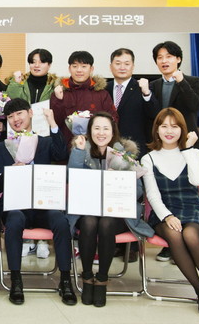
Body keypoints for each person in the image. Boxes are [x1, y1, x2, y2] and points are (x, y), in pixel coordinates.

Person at [142, 108, 199, 317]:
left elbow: (197, 180)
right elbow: (152, 195)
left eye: (175, 126)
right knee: (174, 234)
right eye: (164, 126)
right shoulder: (148, 158)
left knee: (190, 234)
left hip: (192, 208)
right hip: (164, 211)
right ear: (157, 129)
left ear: (183, 129)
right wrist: (167, 216)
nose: (169, 131)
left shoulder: (195, 154)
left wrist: (188, 149)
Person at [0, 98, 75, 306]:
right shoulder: (2, 147)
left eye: (19, 113)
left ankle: (66, 280)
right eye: (10, 117)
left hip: (42, 206)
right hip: (16, 206)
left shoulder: (44, 142)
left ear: (30, 113)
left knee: (61, 221)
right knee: (14, 220)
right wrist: (12, 172)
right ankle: (16, 280)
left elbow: (61, 153)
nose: (15, 119)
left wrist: (53, 124)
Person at [68, 112, 154, 307]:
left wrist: (119, 178)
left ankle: (102, 279)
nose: (101, 133)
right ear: (90, 131)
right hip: (88, 210)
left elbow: (139, 191)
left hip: (117, 213)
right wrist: (78, 151)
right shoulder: (82, 149)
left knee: (106, 224)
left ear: (113, 131)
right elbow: (71, 179)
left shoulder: (124, 153)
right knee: (89, 222)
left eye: (105, 128)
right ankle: (87, 277)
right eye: (96, 128)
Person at [149, 41, 199, 264]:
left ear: (178, 59)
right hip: (164, 148)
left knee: (191, 194)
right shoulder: (154, 85)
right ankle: (171, 245)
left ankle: (192, 242)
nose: (164, 61)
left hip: (188, 145)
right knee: (167, 194)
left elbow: (194, 106)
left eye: (168, 56)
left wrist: (181, 81)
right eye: (159, 57)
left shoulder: (193, 81)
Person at [5, 48, 58, 258]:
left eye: (41, 61)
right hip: (18, 137)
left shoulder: (56, 86)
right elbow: (11, 107)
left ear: (49, 65)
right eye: (33, 61)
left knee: (42, 185)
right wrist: (15, 84)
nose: (36, 65)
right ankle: (27, 238)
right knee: (21, 184)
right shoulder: (18, 83)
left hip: (43, 137)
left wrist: (52, 125)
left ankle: (42, 240)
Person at [51, 50, 118, 146]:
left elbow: (113, 119)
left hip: (95, 147)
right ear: (69, 69)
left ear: (91, 69)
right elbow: (55, 122)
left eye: (84, 66)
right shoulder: (59, 92)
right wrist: (59, 100)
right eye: (75, 66)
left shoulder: (102, 94)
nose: (79, 70)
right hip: (66, 147)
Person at [107, 48, 159, 159]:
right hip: (108, 148)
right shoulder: (104, 89)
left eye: (127, 64)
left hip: (135, 149)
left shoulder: (142, 88)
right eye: (118, 63)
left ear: (133, 67)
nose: (122, 67)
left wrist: (146, 93)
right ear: (110, 67)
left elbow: (154, 114)